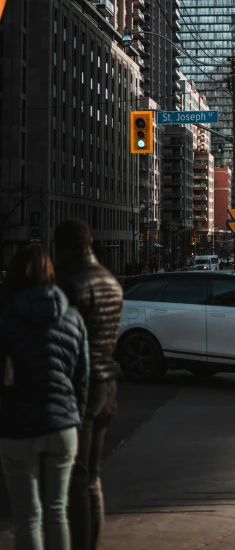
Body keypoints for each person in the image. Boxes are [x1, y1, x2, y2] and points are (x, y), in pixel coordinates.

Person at [0, 246, 89, 550]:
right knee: (56, 512)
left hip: (18, 426)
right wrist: (74, 416)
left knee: (27, 516)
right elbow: (82, 378)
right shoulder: (73, 317)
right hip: (63, 426)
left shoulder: (7, 317)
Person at [54, 220, 123, 550]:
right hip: (107, 383)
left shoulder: (71, 285)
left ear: (66, 248)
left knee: (76, 481)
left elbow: (64, 343)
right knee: (91, 477)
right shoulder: (111, 281)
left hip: (82, 388)